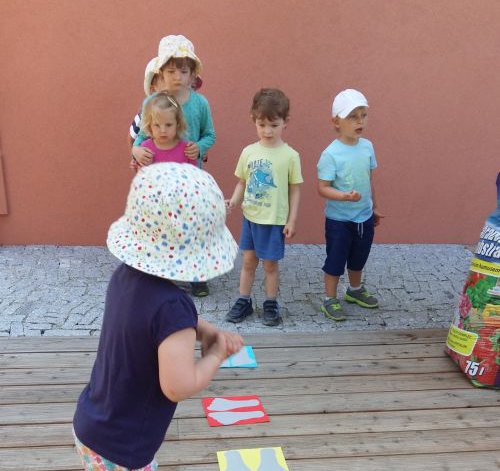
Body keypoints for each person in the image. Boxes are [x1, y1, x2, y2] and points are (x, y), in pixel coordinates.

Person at [73, 163, 241, 471]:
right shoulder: (173, 309)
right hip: (120, 444)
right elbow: (179, 384)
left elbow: (165, 322)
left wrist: (201, 329)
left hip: (103, 423)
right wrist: (215, 353)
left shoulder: (128, 278)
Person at [130, 36, 216, 297]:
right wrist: (136, 150)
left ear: (193, 74)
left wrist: (199, 147)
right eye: (171, 71)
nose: (177, 76)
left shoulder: (200, 104)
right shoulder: (152, 103)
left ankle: (196, 275)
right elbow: (142, 136)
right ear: (161, 74)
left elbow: (210, 135)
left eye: (183, 71)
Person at [225, 88, 302, 327]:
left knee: (270, 264)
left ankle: (271, 303)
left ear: (285, 122)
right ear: (254, 120)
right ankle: (244, 300)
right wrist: (234, 200)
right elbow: (242, 181)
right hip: (251, 218)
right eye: (262, 125)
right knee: (248, 261)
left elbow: (295, 190)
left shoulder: (290, 156)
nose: (268, 131)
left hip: (273, 221)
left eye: (274, 125)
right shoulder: (248, 152)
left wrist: (291, 220)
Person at [317, 88, 382, 323]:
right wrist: (344, 196)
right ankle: (329, 298)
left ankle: (354, 290)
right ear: (336, 122)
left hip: (364, 216)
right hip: (339, 220)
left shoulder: (367, 147)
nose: (360, 121)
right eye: (352, 117)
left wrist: (374, 207)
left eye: (363, 115)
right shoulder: (330, 154)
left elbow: (368, 180)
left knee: (359, 257)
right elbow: (322, 187)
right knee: (335, 259)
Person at [138, 91, 195, 165]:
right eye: (157, 125)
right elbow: (141, 171)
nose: (163, 130)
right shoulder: (145, 148)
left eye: (168, 125)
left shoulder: (187, 150)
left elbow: (193, 171)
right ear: (150, 126)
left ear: (177, 124)